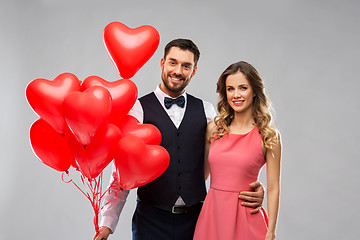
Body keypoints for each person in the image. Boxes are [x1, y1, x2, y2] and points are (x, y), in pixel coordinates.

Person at [94, 40, 265, 240]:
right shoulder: (137, 110)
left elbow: (233, 156)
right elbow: (121, 173)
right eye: (173, 63)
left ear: (194, 71)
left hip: (197, 221)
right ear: (162, 63)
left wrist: (252, 186)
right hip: (150, 221)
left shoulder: (207, 111)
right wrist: (107, 224)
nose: (178, 71)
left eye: (186, 66)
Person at [193, 61, 282, 240]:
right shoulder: (214, 130)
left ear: (254, 91)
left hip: (247, 220)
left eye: (243, 88)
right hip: (212, 217)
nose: (236, 95)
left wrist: (271, 232)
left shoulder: (268, 136)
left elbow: (273, 188)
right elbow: (200, 176)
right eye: (230, 89)